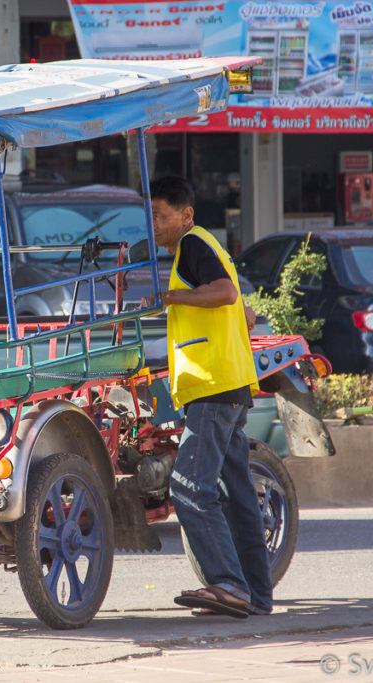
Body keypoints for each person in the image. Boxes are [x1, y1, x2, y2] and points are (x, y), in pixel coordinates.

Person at [144, 175, 271, 619]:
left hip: (215, 388)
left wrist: (171, 296)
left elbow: (226, 293)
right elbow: (243, 308)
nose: (155, 224)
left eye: (161, 216)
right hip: (229, 386)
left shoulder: (194, 247)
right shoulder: (208, 247)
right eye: (152, 215)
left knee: (190, 488)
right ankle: (257, 592)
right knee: (236, 495)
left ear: (186, 215)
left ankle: (229, 586)